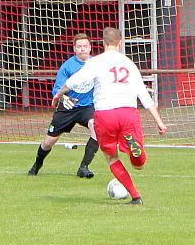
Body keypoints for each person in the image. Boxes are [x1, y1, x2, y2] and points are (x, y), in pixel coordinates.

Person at [52, 27, 168, 205]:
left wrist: (58, 95)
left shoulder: (96, 62)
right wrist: (159, 122)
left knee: (111, 157)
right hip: (128, 112)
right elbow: (144, 96)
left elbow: (73, 82)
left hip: (105, 114)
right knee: (139, 165)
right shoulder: (129, 63)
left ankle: (136, 197)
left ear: (104, 43)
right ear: (120, 42)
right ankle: (135, 151)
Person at [28, 33, 100, 178]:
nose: (82, 49)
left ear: (90, 48)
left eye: (85, 46)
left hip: (87, 107)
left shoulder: (97, 64)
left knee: (97, 127)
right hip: (67, 108)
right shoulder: (67, 66)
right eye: (79, 47)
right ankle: (37, 164)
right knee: (49, 142)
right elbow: (57, 90)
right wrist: (64, 98)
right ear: (74, 49)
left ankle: (84, 167)